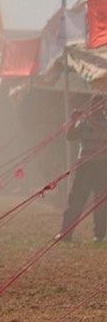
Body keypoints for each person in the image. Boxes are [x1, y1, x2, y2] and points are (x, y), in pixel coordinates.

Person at [58, 97, 107, 242]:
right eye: (92, 105)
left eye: (97, 105)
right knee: (76, 200)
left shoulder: (104, 121)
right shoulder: (83, 123)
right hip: (84, 165)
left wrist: (90, 120)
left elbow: (104, 136)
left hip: (101, 165)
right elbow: (70, 137)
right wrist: (73, 121)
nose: (94, 108)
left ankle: (99, 234)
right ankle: (66, 233)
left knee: (100, 202)